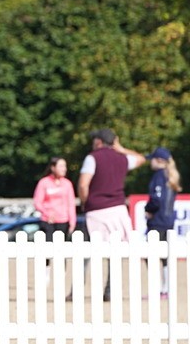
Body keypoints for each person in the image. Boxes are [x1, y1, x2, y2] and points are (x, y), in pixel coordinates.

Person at [76, 128, 146, 300]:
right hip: (118, 210)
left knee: (85, 251)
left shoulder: (92, 158)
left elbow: (84, 184)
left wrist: (85, 201)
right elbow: (141, 158)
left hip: (96, 210)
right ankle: (110, 290)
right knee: (115, 252)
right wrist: (121, 149)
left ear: (99, 141)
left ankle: (77, 289)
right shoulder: (122, 158)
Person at [144, 146, 180, 296]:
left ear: (159, 161)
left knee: (150, 255)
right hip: (169, 222)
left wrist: (148, 209)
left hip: (157, 222)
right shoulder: (171, 176)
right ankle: (166, 289)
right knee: (166, 257)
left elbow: (156, 200)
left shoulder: (159, 176)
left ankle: (158, 288)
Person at [33, 157, 76, 239]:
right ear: (53, 168)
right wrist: (47, 213)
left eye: (65, 166)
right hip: (48, 221)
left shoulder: (67, 184)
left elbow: (71, 204)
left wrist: (72, 221)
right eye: (61, 166)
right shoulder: (44, 182)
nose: (64, 169)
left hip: (63, 221)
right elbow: (37, 202)